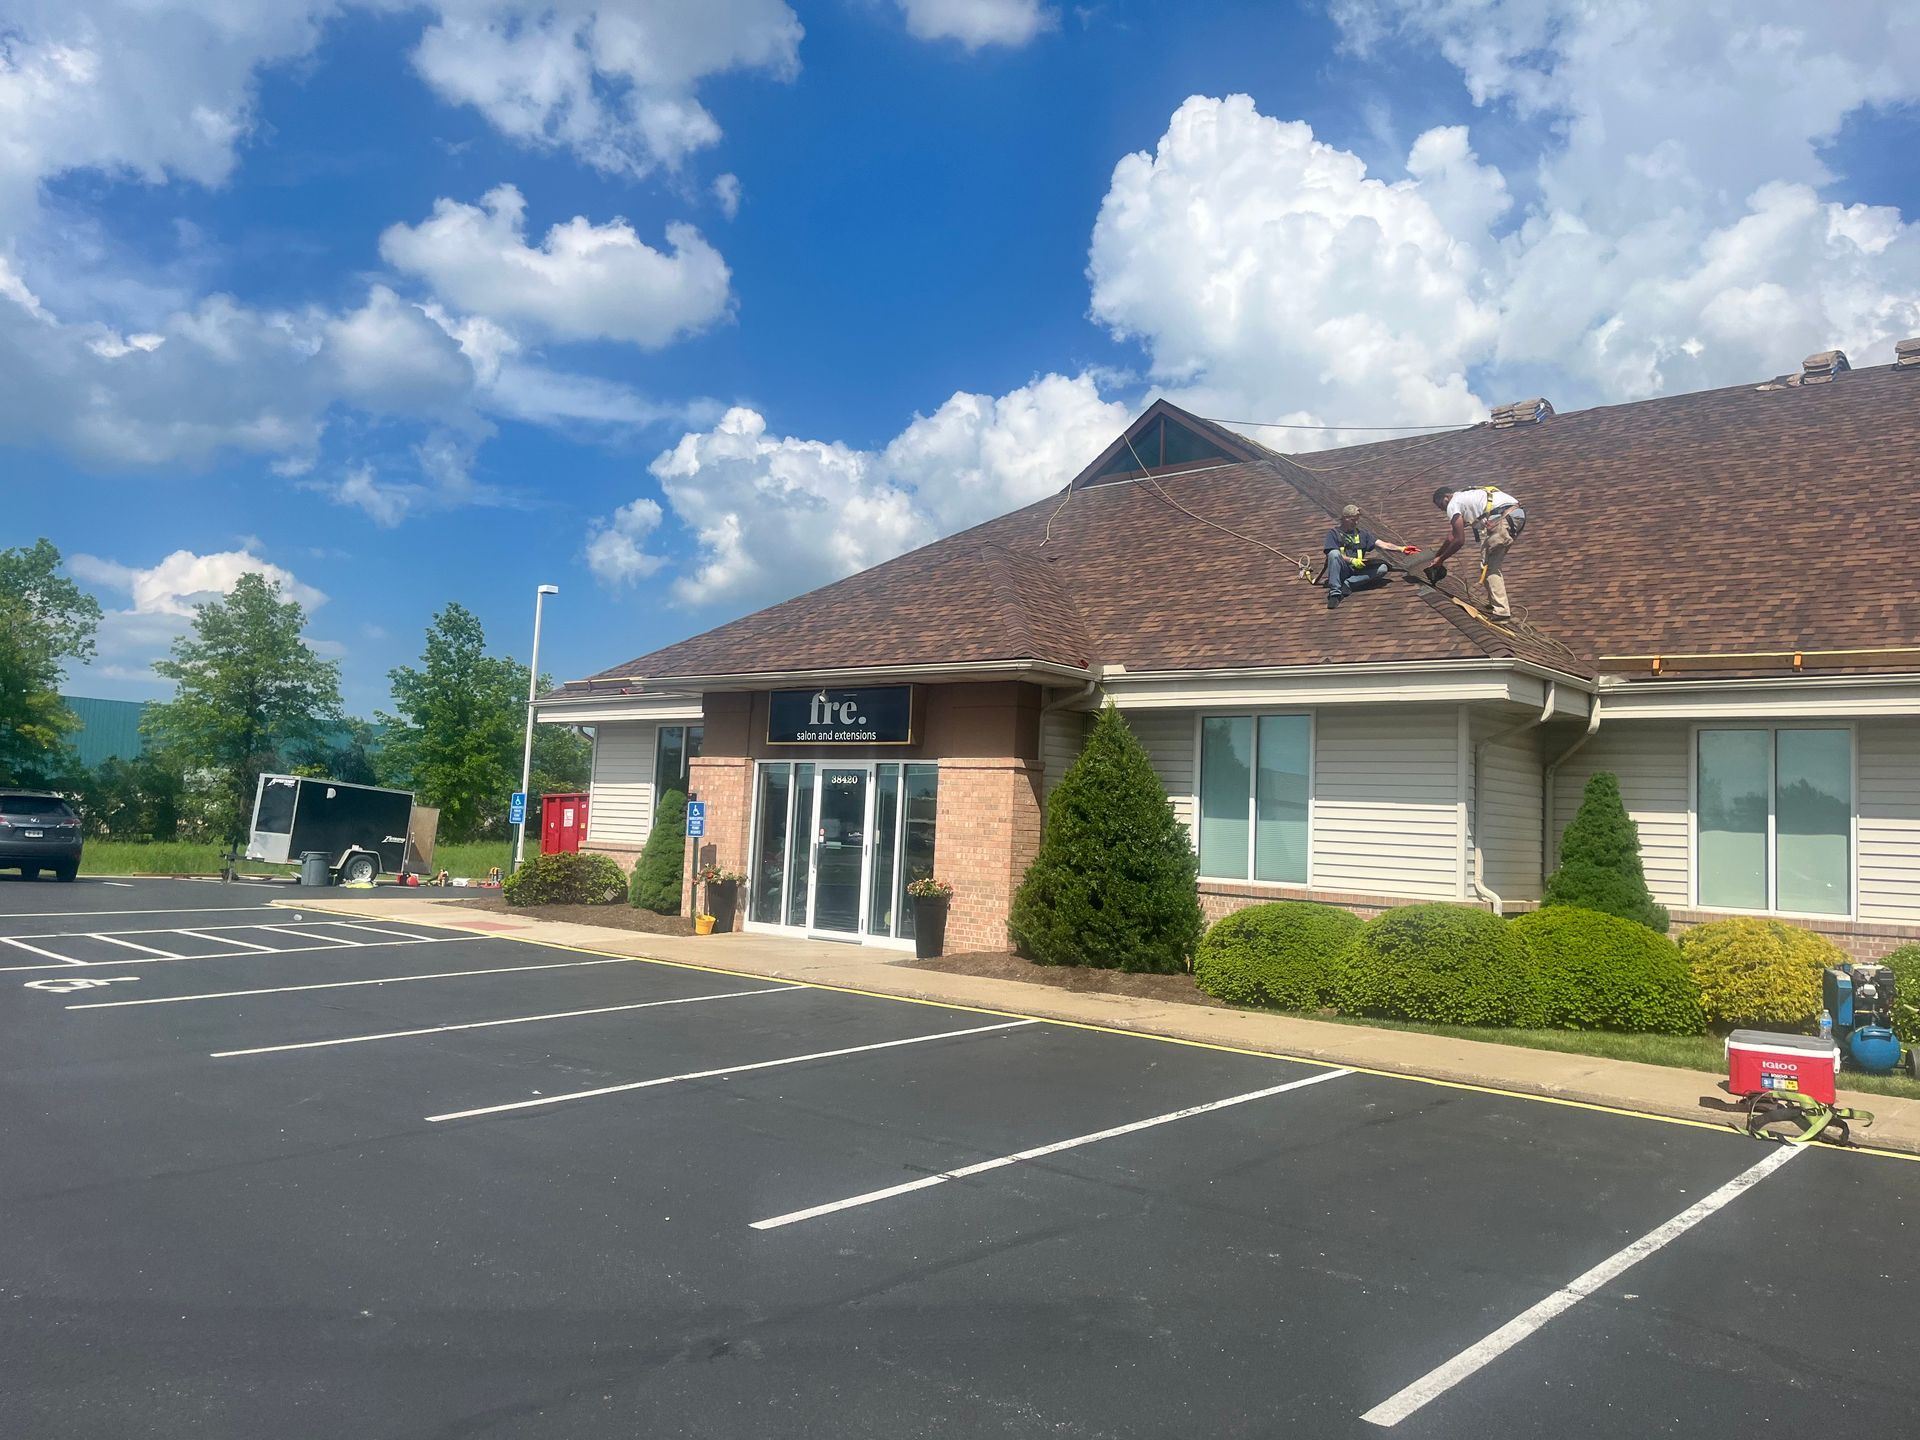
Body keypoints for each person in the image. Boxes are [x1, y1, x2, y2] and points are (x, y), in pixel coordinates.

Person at [1429, 484, 1526, 620]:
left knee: (1490, 567)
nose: (1441, 509)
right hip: (1514, 515)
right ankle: (1495, 604)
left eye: (1440, 505)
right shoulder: (1464, 498)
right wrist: (1437, 555)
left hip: (1503, 518)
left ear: (1446, 497)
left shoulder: (1453, 504)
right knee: (1487, 564)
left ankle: (1501, 612)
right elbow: (1452, 536)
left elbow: (1459, 540)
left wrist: (1441, 559)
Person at [1324, 503, 1416, 609]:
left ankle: (1348, 584)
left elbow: (1383, 544)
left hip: (1357, 570)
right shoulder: (1333, 533)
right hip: (1342, 570)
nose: (1356, 523)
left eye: (1357, 520)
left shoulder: (1363, 534)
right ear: (1345, 518)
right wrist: (1352, 560)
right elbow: (1332, 554)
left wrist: (1402, 549)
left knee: (1382, 568)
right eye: (1353, 520)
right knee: (1333, 554)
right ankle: (1335, 593)